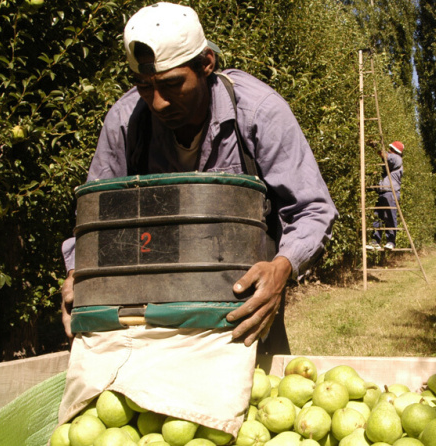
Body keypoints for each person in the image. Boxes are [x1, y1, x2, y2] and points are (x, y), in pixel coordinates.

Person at [57, 2, 337, 432]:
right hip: (150, 313)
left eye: (171, 85)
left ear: (206, 63)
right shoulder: (126, 120)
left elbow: (312, 208)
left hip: (239, 309)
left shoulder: (258, 112)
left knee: (252, 417)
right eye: (144, 86)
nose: (158, 101)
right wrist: (81, 273)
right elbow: (97, 221)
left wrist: (282, 268)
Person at [367, 141, 404, 250]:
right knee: (377, 217)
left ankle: (391, 241)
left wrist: (375, 147)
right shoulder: (390, 164)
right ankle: (375, 242)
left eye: (390, 148)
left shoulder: (396, 158)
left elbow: (385, 156)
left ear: (394, 150)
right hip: (382, 193)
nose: (388, 150)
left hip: (390, 193)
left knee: (390, 217)